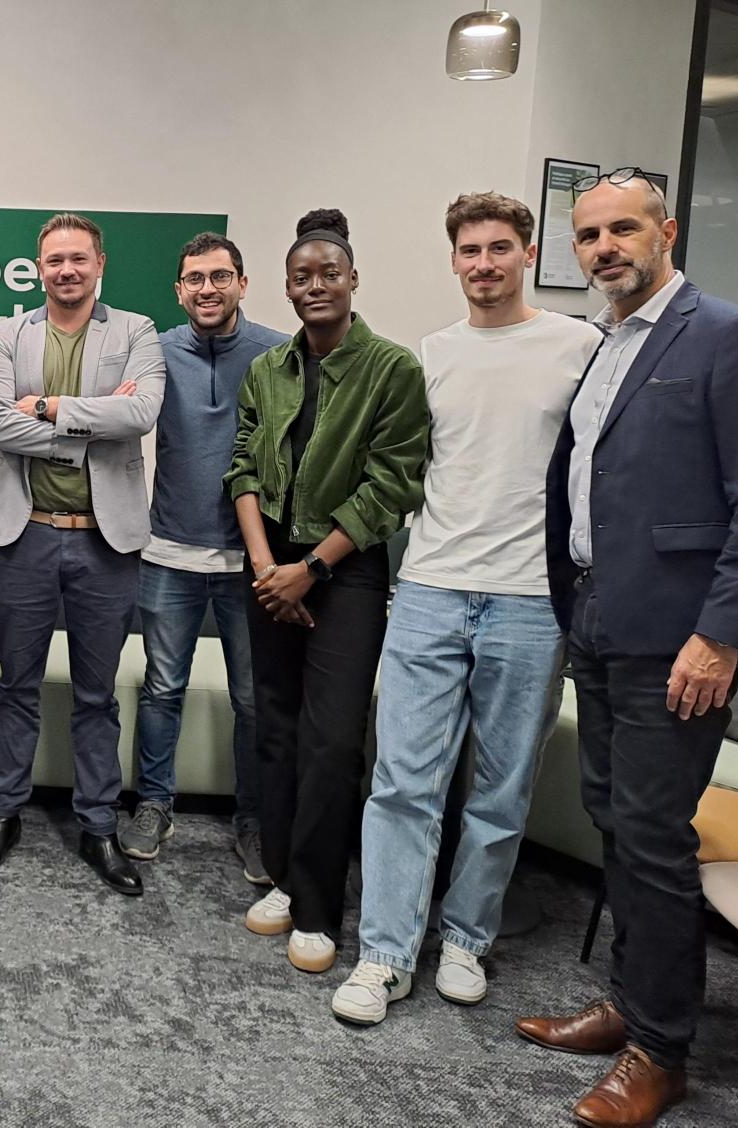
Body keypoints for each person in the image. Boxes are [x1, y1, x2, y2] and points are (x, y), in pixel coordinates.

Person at [516, 169, 738, 1128]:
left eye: (622, 230)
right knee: (616, 824)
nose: (604, 249)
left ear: (667, 231)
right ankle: (629, 1004)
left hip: (681, 640)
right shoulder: (607, 345)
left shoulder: (728, 334)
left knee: (657, 841)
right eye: (588, 236)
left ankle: (662, 1051)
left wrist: (720, 636)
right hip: (598, 619)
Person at [332, 193, 599, 1026]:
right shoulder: (432, 355)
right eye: (470, 251)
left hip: (529, 598)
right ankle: (382, 956)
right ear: (453, 261)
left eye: (499, 248)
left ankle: (465, 938)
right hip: (431, 589)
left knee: (500, 787)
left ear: (527, 253)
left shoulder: (579, 347)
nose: (484, 264)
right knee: (402, 784)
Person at [227, 208, 428, 973]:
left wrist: (309, 570)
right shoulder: (268, 370)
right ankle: (281, 877)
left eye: (328, 274)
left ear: (353, 280)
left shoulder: (391, 369)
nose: (316, 286)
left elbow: (390, 488)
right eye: (302, 277)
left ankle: (318, 907)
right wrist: (265, 568)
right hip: (269, 565)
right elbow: (243, 466)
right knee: (274, 728)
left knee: (334, 740)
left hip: (345, 572)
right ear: (286, 286)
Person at [0, 212, 164, 896]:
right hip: (26, 535)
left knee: (95, 696)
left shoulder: (136, 332)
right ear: (38, 267)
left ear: (99, 264)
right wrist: (86, 424)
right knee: (16, 686)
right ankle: (3, 813)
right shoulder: (6, 334)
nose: (66, 270)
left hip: (106, 543)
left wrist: (48, 407)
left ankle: (97, 825)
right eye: (54, 260)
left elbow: (139, 416)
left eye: (78, 258)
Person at [124, 231, 287, 878]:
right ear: (179, 290)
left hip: (252, 562)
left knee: (252, 699)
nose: (207, 289)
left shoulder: (277, 354)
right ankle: (154, 805)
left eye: (220, 277)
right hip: (168, 554)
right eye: (194, 279)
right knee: (162, 689)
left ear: (242, 284)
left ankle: (251, 818)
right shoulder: (156, 353)